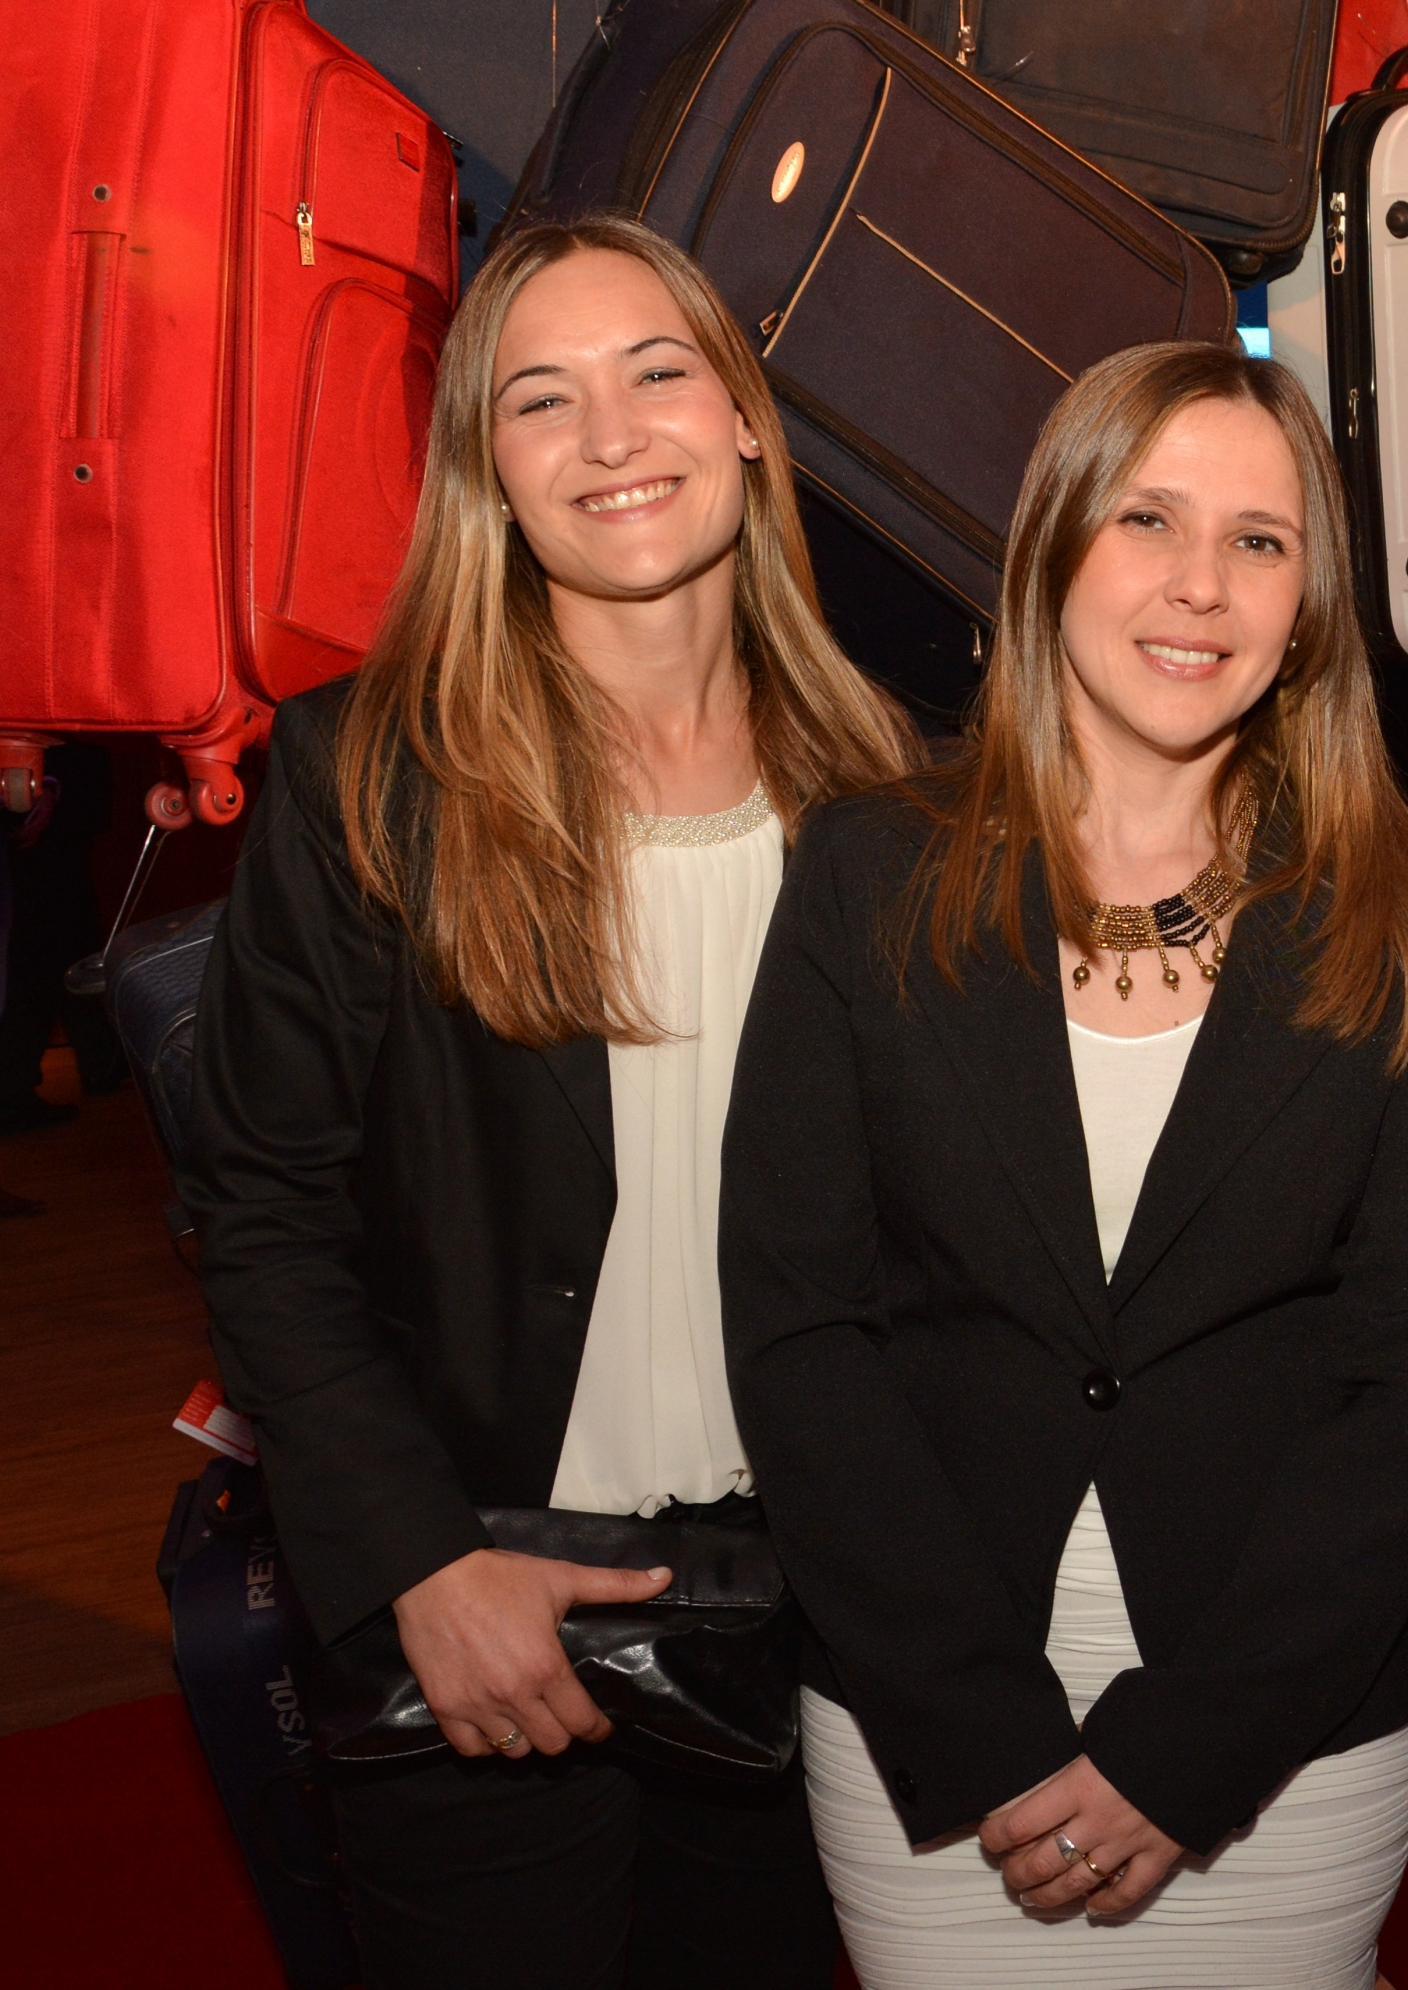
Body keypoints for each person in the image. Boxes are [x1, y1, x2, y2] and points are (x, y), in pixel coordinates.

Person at [718, 340, 1408, 1988]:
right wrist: (980, 1725)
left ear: (1308, 608)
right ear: (1054, 545)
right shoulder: (869, 876)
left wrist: (1191, 1750)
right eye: (1148, 519)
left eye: (1261, 541)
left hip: (1282, 1744)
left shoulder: (1407, 923)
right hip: (932, 1733)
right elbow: (805, 1334)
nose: (1199, 587)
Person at [178, 214, 915, 1986]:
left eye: (659, 372)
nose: (612, 438)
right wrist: (422, 1564)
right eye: (541, 400)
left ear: (745, 418)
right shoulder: (377, 779)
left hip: (825, 1610)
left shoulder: (894, 791)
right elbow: (259, 1209)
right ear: (487, 475)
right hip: (490, 1607)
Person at [0, 740, 126, 1134]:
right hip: (40, 824)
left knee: (64, 945)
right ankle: (16, 1089)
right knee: (45, 952)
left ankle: (98, 1061)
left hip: (54, 818)